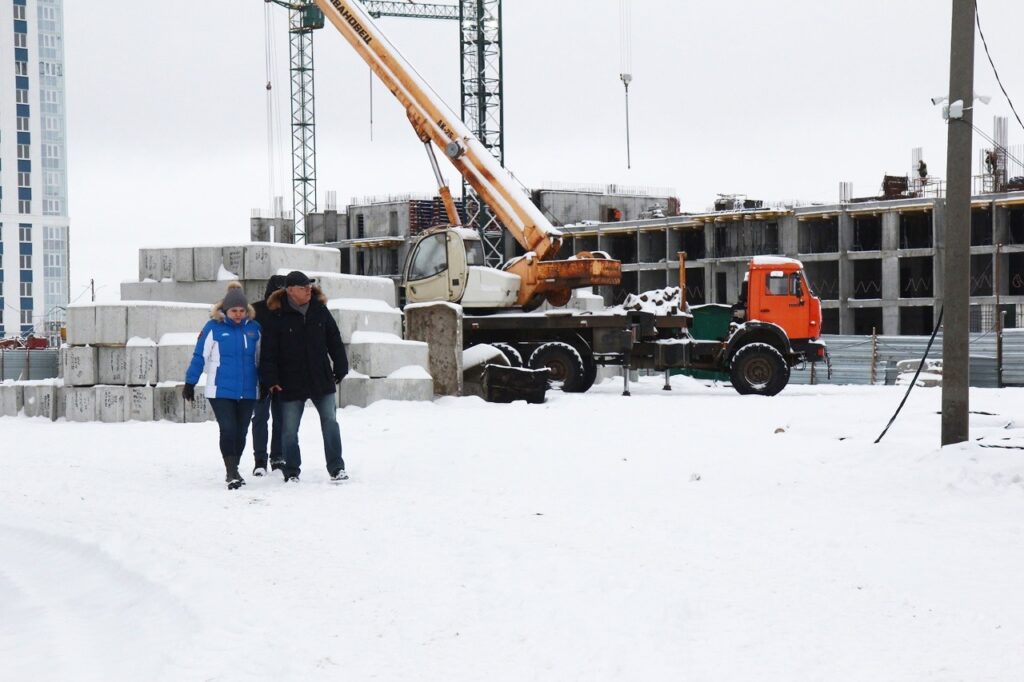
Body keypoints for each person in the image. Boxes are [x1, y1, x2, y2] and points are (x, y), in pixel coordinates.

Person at [260, 270, 349, 483]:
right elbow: (268, 352)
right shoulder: (277, 315)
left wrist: (341, 366)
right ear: (290, 291)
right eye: (303, 287)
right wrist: (271, 380)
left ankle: (337, 467)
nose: (308, 290)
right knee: (289, 430)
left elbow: (334, 340)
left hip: (321, 378)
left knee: (330, 423)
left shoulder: (320, 310)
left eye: (309, 286)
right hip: (290, 382)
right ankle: (291, 471)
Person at [183, 281, 262, 490]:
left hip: (248, 390)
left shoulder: (254, 329)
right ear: (225, 310)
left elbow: (262, 358)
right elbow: (200, 355)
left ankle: (235, 467)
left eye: (241, 311)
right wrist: (190, 382)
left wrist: (267, 382)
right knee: (228, 429)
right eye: (234, 310)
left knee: (242, 431)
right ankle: (231, 472)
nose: (238, 314)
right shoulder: (213, 328)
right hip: (220, 390)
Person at [250, 274, 287, 477]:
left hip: (283, 374)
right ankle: (260, 460)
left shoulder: (289, 311)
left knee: (281, 418)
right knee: (260, 417)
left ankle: (278, 456)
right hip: (259, 374)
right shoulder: (255, 311)